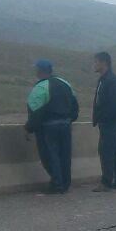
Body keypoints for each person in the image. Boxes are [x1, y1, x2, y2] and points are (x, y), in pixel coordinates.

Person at [25, 60, 78, 194]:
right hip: (65, 124)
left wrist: (29, 128)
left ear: (40, 71)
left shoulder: (40, 88)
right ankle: (65, 183)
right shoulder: (65, 84)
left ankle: (56, 184)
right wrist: (69, 119)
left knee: (50, 155)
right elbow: (75, 105)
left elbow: (35, 111)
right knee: (65, 155)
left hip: (48, 127)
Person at [91, 52, 116, 192]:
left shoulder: (112, 81)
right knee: (113, 150)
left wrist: (105, 118)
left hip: (111, 122)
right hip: (107, 121)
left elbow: (115, 105)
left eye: (96, 62)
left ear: (103, 63)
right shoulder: (103, 80)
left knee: (105, 150)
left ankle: (106, 182)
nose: (94, 65)